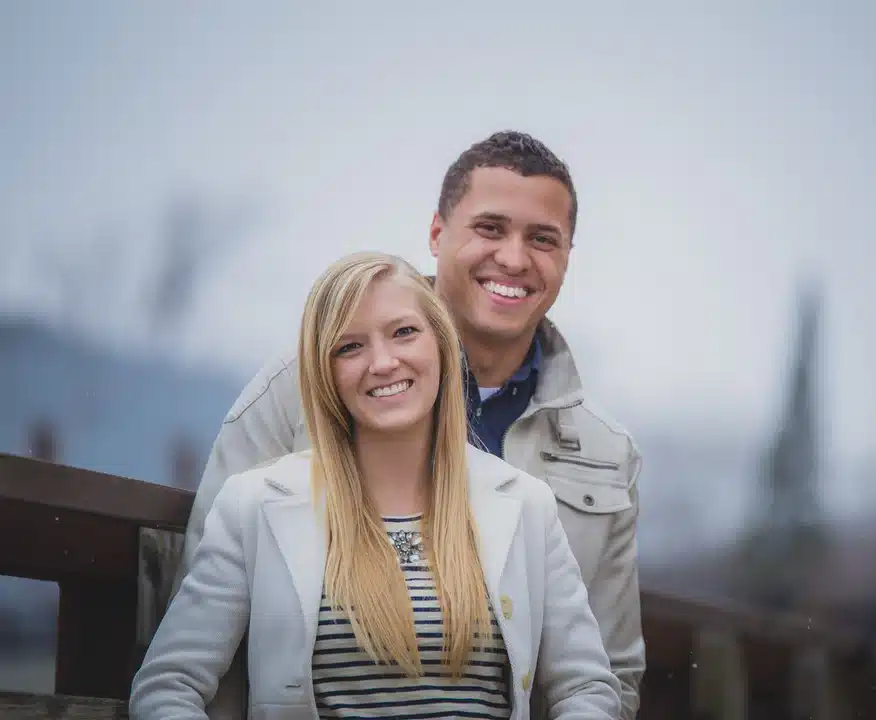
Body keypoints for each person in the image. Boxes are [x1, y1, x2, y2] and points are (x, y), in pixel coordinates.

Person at [175, 131, 645, 718]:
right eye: (491, 228)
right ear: (436, 235)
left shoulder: (603, 454)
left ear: (568, 256)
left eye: (543, 239)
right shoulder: (296, 388)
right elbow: (199, 636)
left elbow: (608, 674)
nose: (515, 259)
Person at [132, 253, 620, 719]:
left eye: (404, 333)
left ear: (441, 345)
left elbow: (587, 688)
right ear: (325, 373)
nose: (383, 362)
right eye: (351, 346)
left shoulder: (526, 505)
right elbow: (167, 687)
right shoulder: (254, 506)